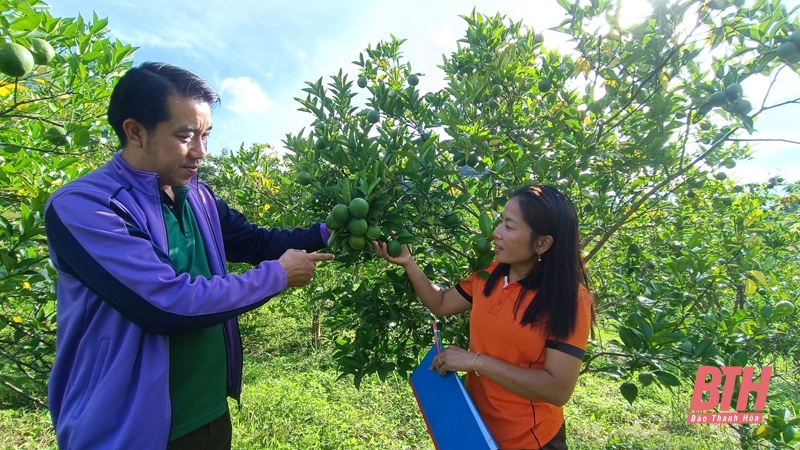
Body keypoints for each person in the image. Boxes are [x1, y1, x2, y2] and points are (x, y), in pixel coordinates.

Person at [43, 62, 334, 450]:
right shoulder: (86, 207)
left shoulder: (196, 194)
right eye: (185, 137)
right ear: (135, 132)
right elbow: (165, 303)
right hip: (127, 430)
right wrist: (277, 276)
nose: (201, 152)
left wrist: (328, 232)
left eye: (206, 135)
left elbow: (254, 242)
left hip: (208, 412)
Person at [374, 184, 594, 449]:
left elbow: (558, 389)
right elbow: (441, 302)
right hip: (475, 427)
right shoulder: (491, 274)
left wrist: (475, 361)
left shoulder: (568, 297)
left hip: (529, 439)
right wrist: (409, 263)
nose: (496, 233)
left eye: (509, 227)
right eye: (500, 221)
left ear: (542, 243)